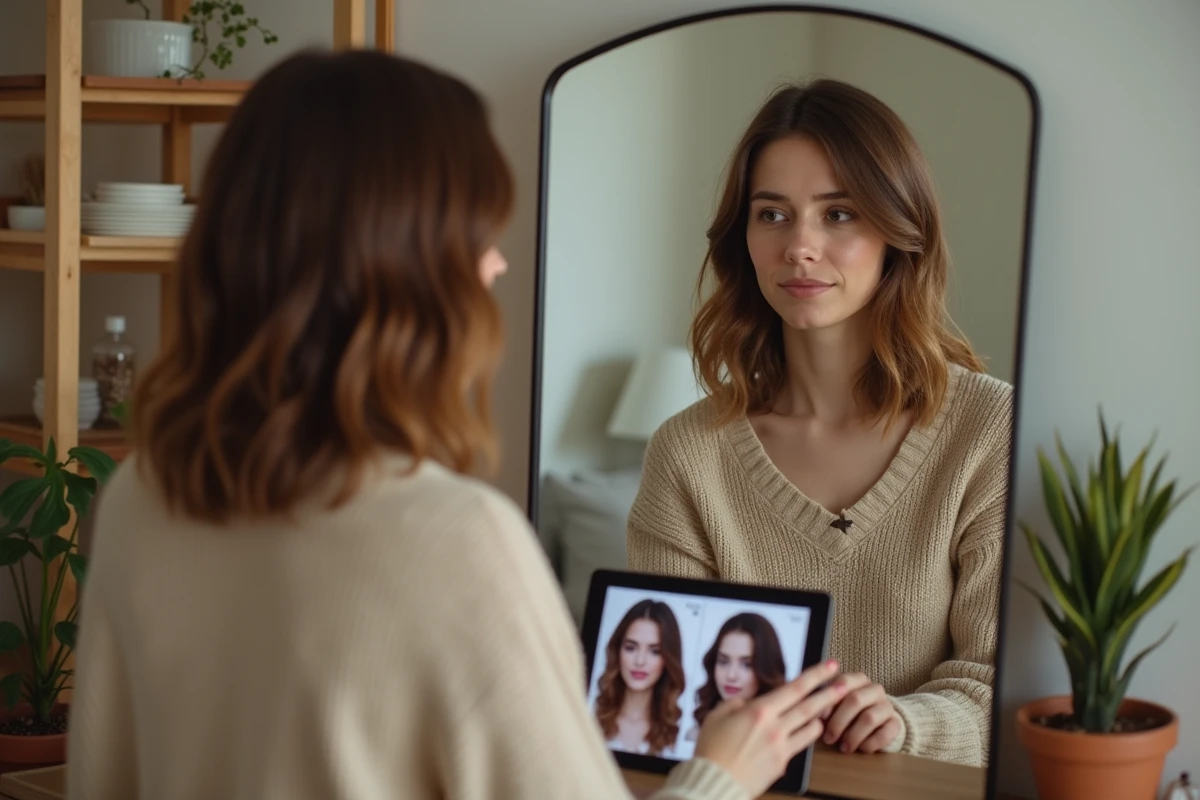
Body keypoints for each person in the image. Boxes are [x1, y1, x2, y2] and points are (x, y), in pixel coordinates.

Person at [65, 49, 853, 800]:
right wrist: (722, 770)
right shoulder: (453, 539)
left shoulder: (141, 497)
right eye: (477, 236)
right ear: (406, 266)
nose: (494, 266)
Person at [627, 79, 1012, 767]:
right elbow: (666, 701)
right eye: (772, 215)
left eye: (838, 215)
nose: (800, 247)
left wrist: (901, 722)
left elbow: (1005, 689)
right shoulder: (687, 457)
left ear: (899, 230)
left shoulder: (986, 430)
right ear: (741, 237)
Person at [593, 599, 685, 756]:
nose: (640, 661)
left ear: (668, 659)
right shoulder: (589, 718)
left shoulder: (680, 735)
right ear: (617, 651)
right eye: (631, 648)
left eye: (655, 651)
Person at [685, 613, 786, 743]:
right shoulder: (697, 734)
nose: (731, 675)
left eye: (747, 665)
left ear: (766, 668)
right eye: (723, 661)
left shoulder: (778, 735)